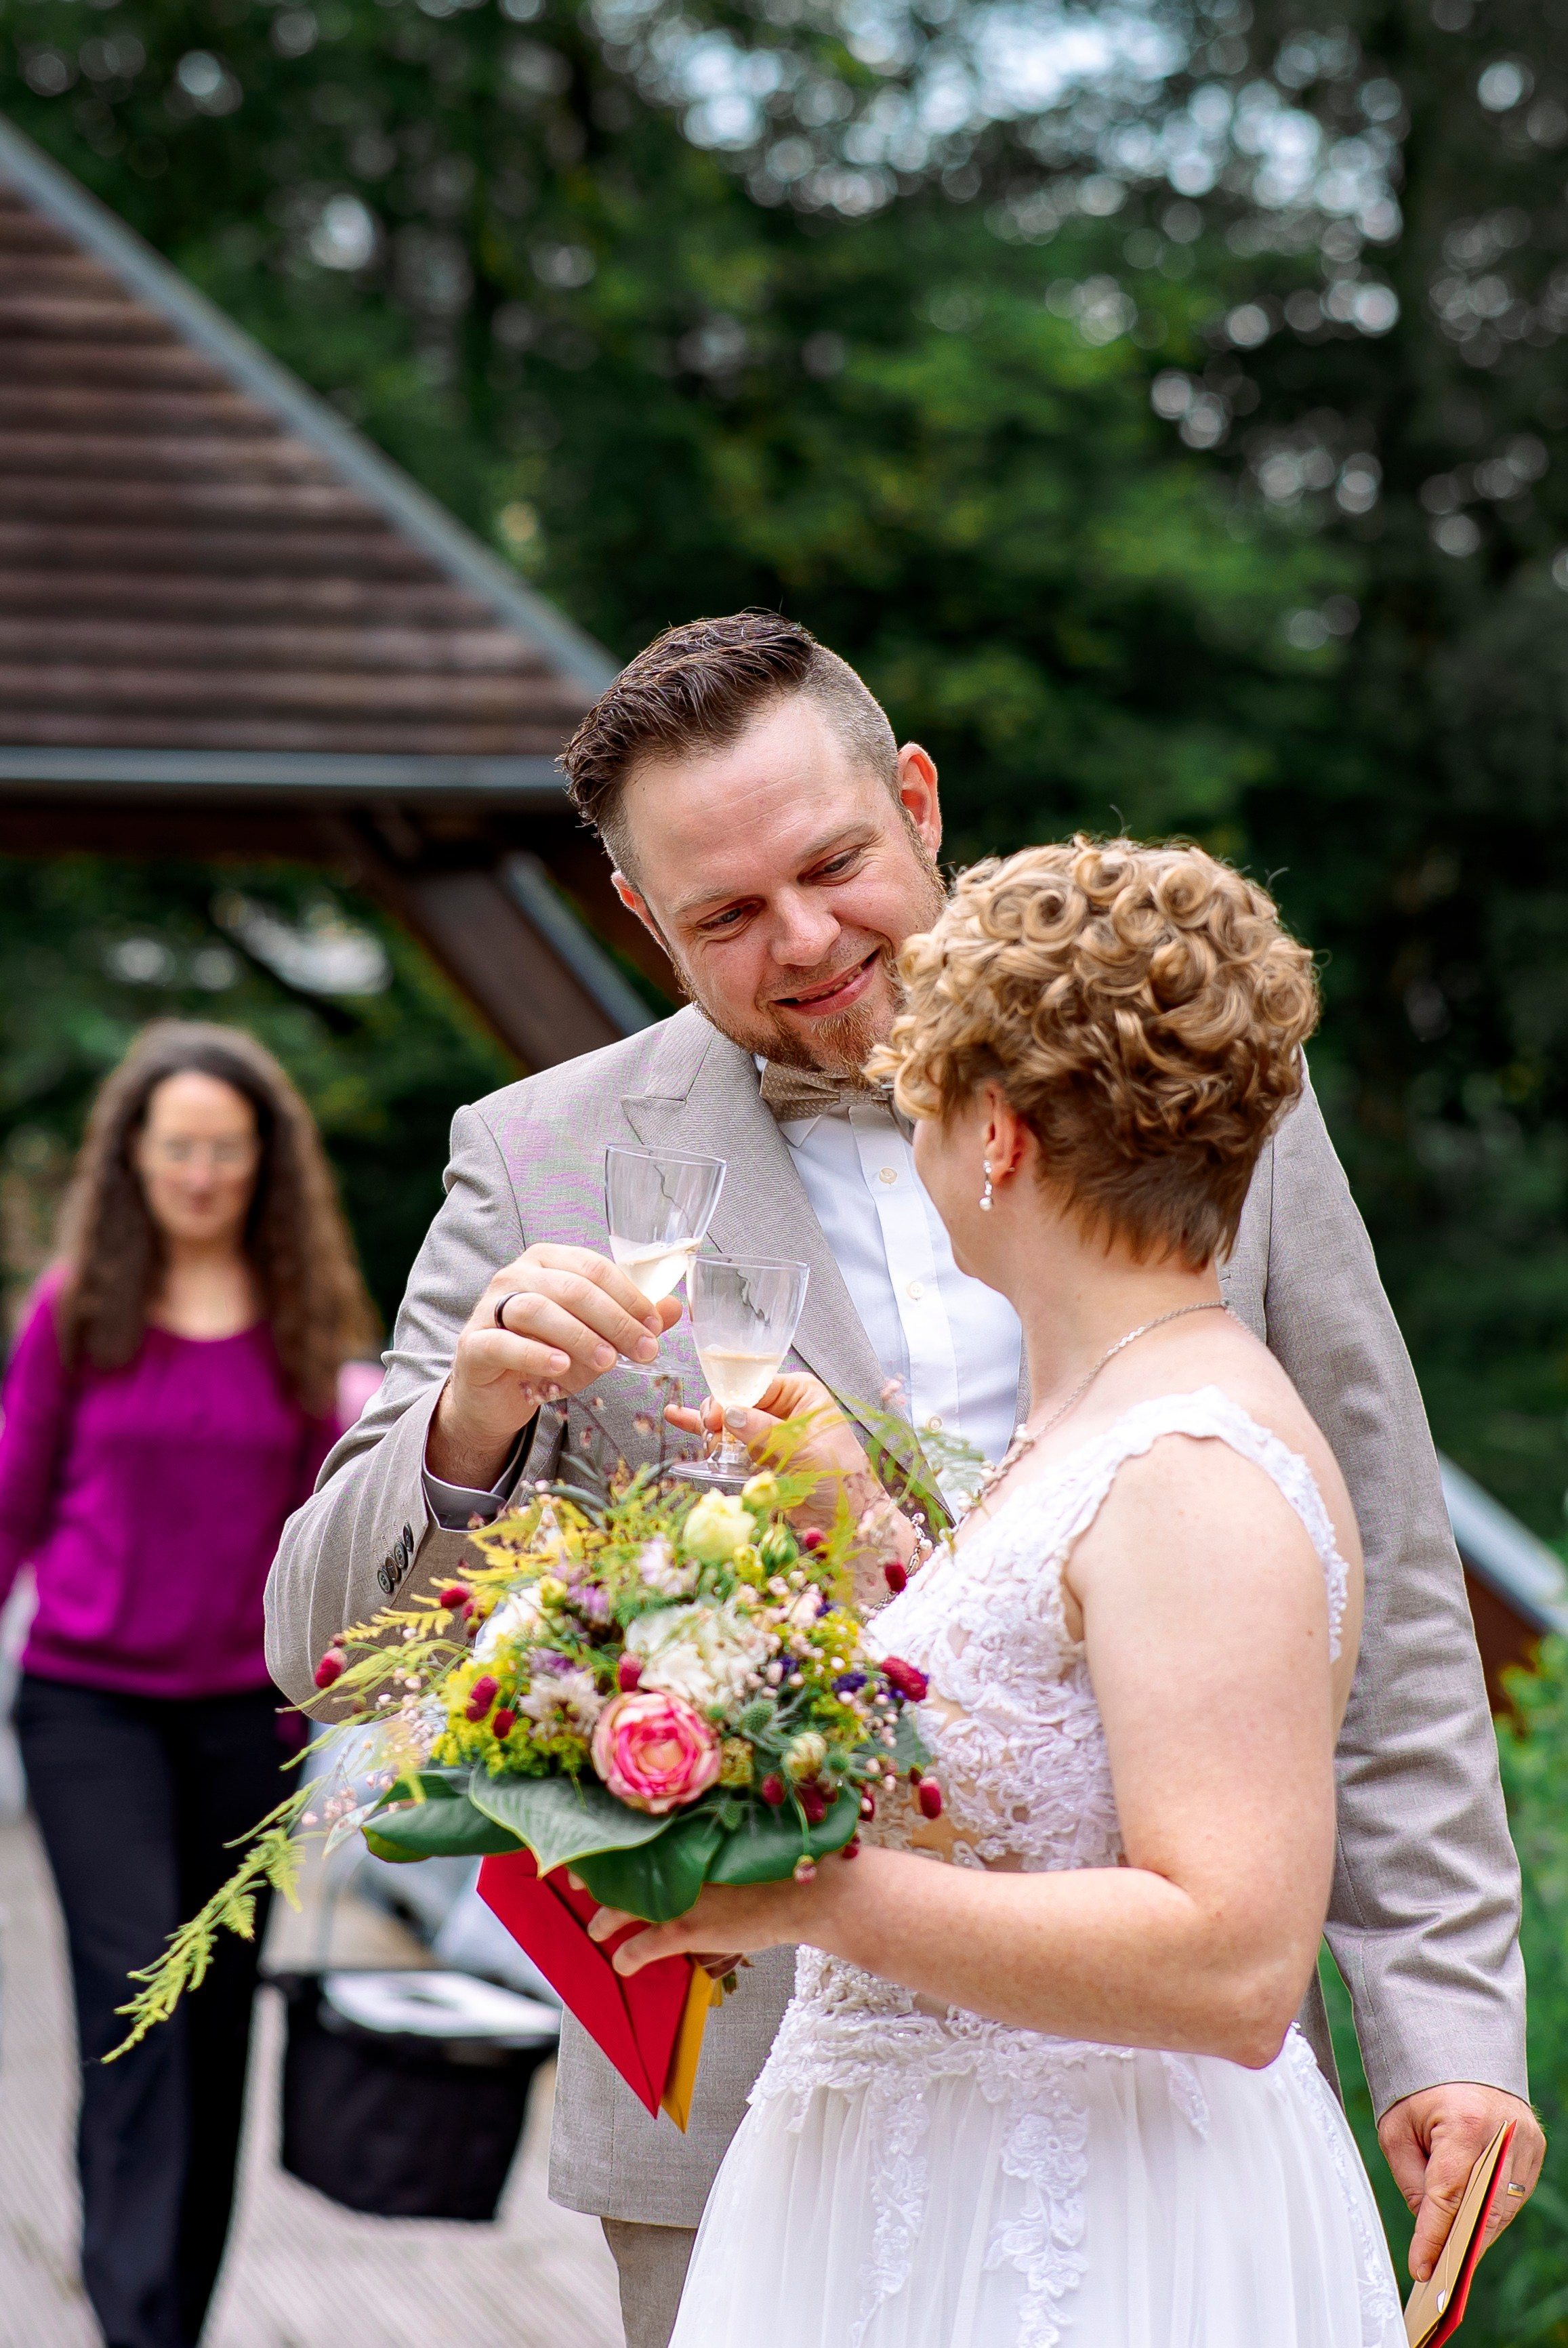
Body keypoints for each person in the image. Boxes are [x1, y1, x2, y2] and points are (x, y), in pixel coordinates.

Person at [266, 614, 1539, 2348]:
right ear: (639, 916)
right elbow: (315, 1638)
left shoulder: (1197, 1094)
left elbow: (1375, 1570)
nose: (801, 942)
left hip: (1167, 2110)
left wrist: (1444, 2018)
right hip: (744, 2128)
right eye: (722, 913)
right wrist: (468, 1420)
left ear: (919, 800)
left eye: (833, 864)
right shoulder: (539, 1153)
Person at [599, 838, 1403, 2342]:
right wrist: (870, 1540)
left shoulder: (1190, 1458)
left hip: (1088, 2229)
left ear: (997, 1137)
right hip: (926, 2191)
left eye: (923, 1095)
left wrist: (807, 1894)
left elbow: (1232, 1956)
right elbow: (1048, 1734)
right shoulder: (1099, 1411)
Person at [0, 1022, 377, 2348]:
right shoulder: (76, 1310)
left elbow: (341, 1534)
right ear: (136, 1159)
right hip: (87, 1703)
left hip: (246, 1720)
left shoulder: (304, 1324)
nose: (204, 1172)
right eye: (180, 1148)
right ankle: (134, 2317)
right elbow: (11, 1502)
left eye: (227, 1147)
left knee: (214, 2025)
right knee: (135, 1995)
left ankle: (174, 2314)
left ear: (263, 1162)